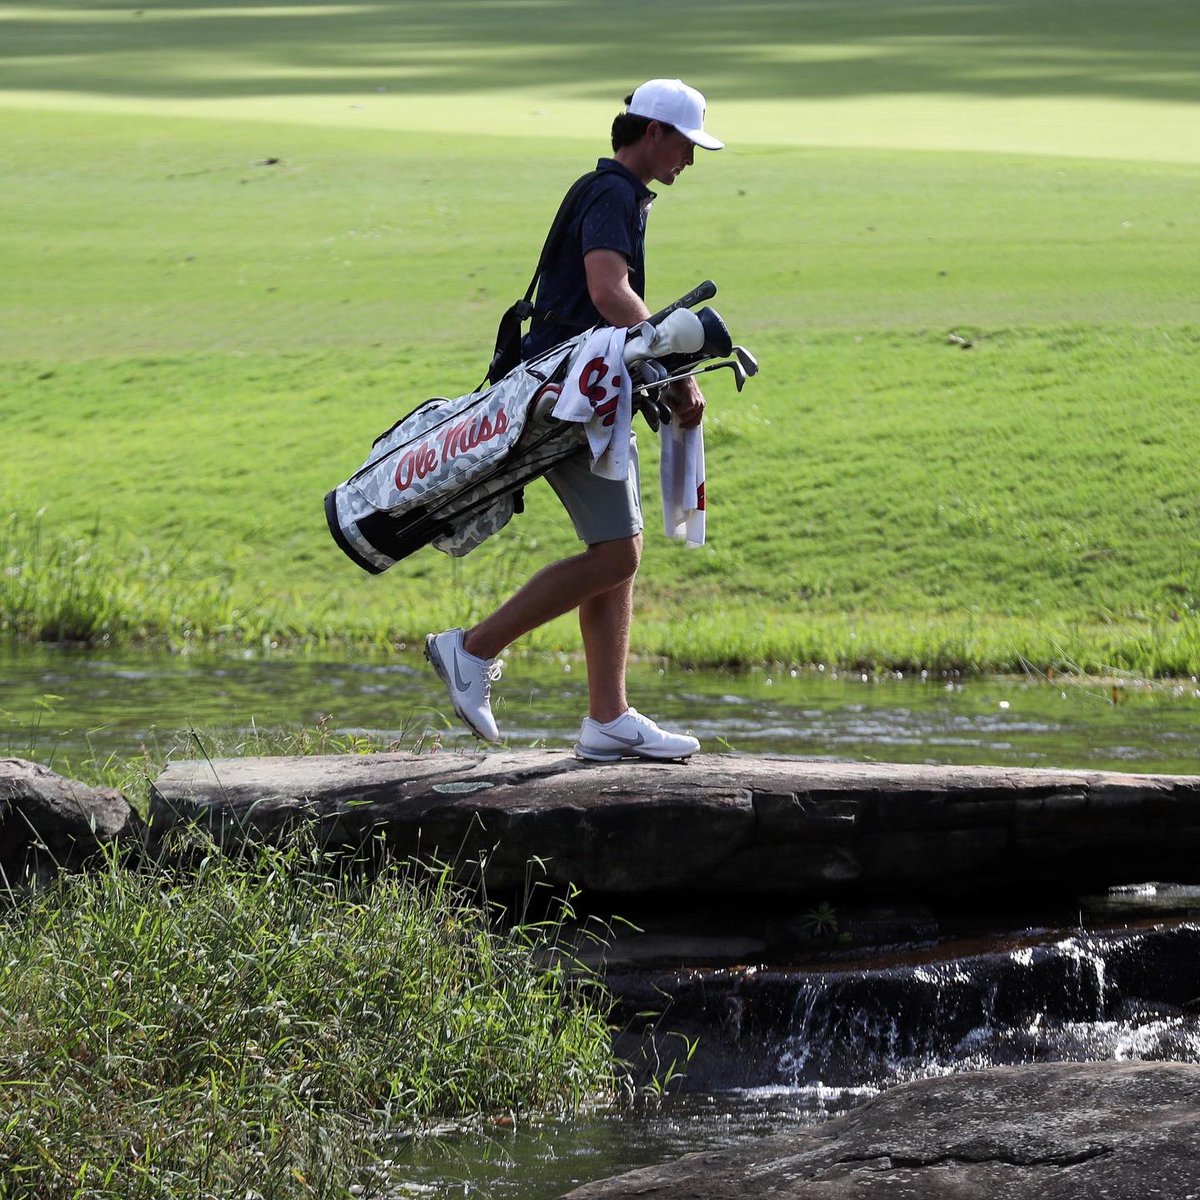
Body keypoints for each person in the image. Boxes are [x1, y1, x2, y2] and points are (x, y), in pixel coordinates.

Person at [425, 79, 723, 762]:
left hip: (584, 393)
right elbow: (608, 291)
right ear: (653, 132)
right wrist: (674, 368)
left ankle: (607, 718)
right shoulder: (614, 193)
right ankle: (472, 649)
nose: (690, 159)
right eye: (686, 143)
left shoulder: (613, 191)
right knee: (618, 553)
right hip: (573, 398)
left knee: (616, 550)